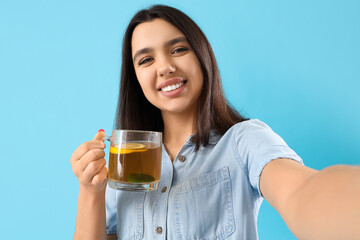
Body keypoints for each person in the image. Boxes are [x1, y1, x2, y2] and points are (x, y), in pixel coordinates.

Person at [70, 5, 360, 240]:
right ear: (135, 79)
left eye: (179, 49)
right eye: (146, 60)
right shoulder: (127, 163)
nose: (165, 67)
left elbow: (301, 192)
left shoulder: (244, 140)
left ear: (202, 57)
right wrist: (90, 190)